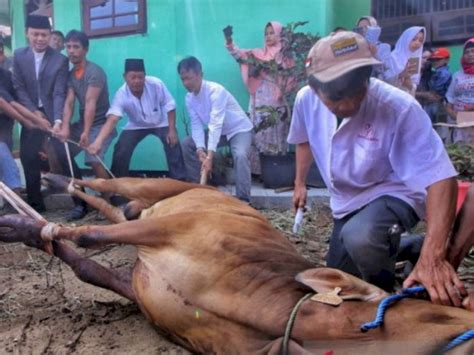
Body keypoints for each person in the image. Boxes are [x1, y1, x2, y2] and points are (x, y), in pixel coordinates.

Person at [289, 31, 464, 306]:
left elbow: (442, 178)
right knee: (340, 279)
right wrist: (299, 183)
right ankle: (410, 247)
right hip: (346, 200)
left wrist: (435, 258)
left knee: (362, 238)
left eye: (357, 90)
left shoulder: (399, 107)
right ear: (314, 87)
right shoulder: (304, 101)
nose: (347, 104)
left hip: (395, 189)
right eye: (335, 96)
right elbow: (303, 140)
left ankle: (386, 298)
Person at [53, 30, 116, 220]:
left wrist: (87, 133)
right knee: (60, 150)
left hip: (101, 124)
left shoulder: (95, 72)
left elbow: (90, 103)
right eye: (68, 47)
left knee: (93, 160)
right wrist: (65, 127)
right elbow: (70, 102)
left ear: (85, 49)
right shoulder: (71, 74)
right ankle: (81, 200)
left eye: (76, 47)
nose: (71, 51)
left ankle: (107, 200)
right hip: (83, 123)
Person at [88, 58, 186, 180]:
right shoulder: (121, 94)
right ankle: (119, 181)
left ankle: (179, 181)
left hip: (161, 122)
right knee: (121, 147)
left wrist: (172, 130)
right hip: (136, 125)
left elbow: (170, 105)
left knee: (172, 142)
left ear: (145, 76)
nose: (137, 81)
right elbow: (113, 118)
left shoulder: (156, 84)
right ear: (125, 77)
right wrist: (98, 142)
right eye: (133, 77)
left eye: (140, 77)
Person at [12, 15, 68, 212]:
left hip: (53, 112)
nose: (40, 39)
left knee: (63, 155)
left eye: (44, 35)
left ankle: (81, 202)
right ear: (27, 33)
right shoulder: (18, 56)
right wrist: (35, 112)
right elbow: (18, 88)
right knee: (28, 156)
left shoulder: (60, 60)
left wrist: (59, 120)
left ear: (50, 35)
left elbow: (60, 91)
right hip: (30, 112)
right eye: (35, 34)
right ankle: (36, 204)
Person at [178, 56, 253, 203]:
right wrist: (200, 149)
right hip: (219, 133)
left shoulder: (216, 91)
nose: (186, 83)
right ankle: (198, 190)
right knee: (188, 144)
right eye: (183, 79)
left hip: (238, 130)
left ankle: (244, 200)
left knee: (241, 155)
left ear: (200, 75)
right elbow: (196, 125)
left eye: (189, 78)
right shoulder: (189, 98)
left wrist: (209, 157)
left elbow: (215, 124)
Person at [225, 21, 293, 172]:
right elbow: (239, 55)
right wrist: (230, 42)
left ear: (280, 34)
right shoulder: (257, 54)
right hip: (259, 101)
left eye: (271, 32)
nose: (268, 36)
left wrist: (284, 91)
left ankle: (274, 170)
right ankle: (258, 171)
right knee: (259, 132)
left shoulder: (286, 58)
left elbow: (292, 79)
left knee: (276, 130)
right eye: (266, 33)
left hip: (278, 102)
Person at [445, 38, 474, 145]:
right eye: (467, 52)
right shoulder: (457, 75)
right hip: (461, 122)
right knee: (461, 156)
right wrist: (452, 113)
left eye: (473, 51)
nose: (470, 54)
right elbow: (449, 97)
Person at [385, 26, 425, 95]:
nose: (417, 43)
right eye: (414, 39)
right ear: (406, 38)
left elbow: (413, 85)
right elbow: (384, 81)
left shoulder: (416, 59)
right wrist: (401, 75)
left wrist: (410, 86)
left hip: (407, 99)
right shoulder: (393, 57)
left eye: (420, 40)